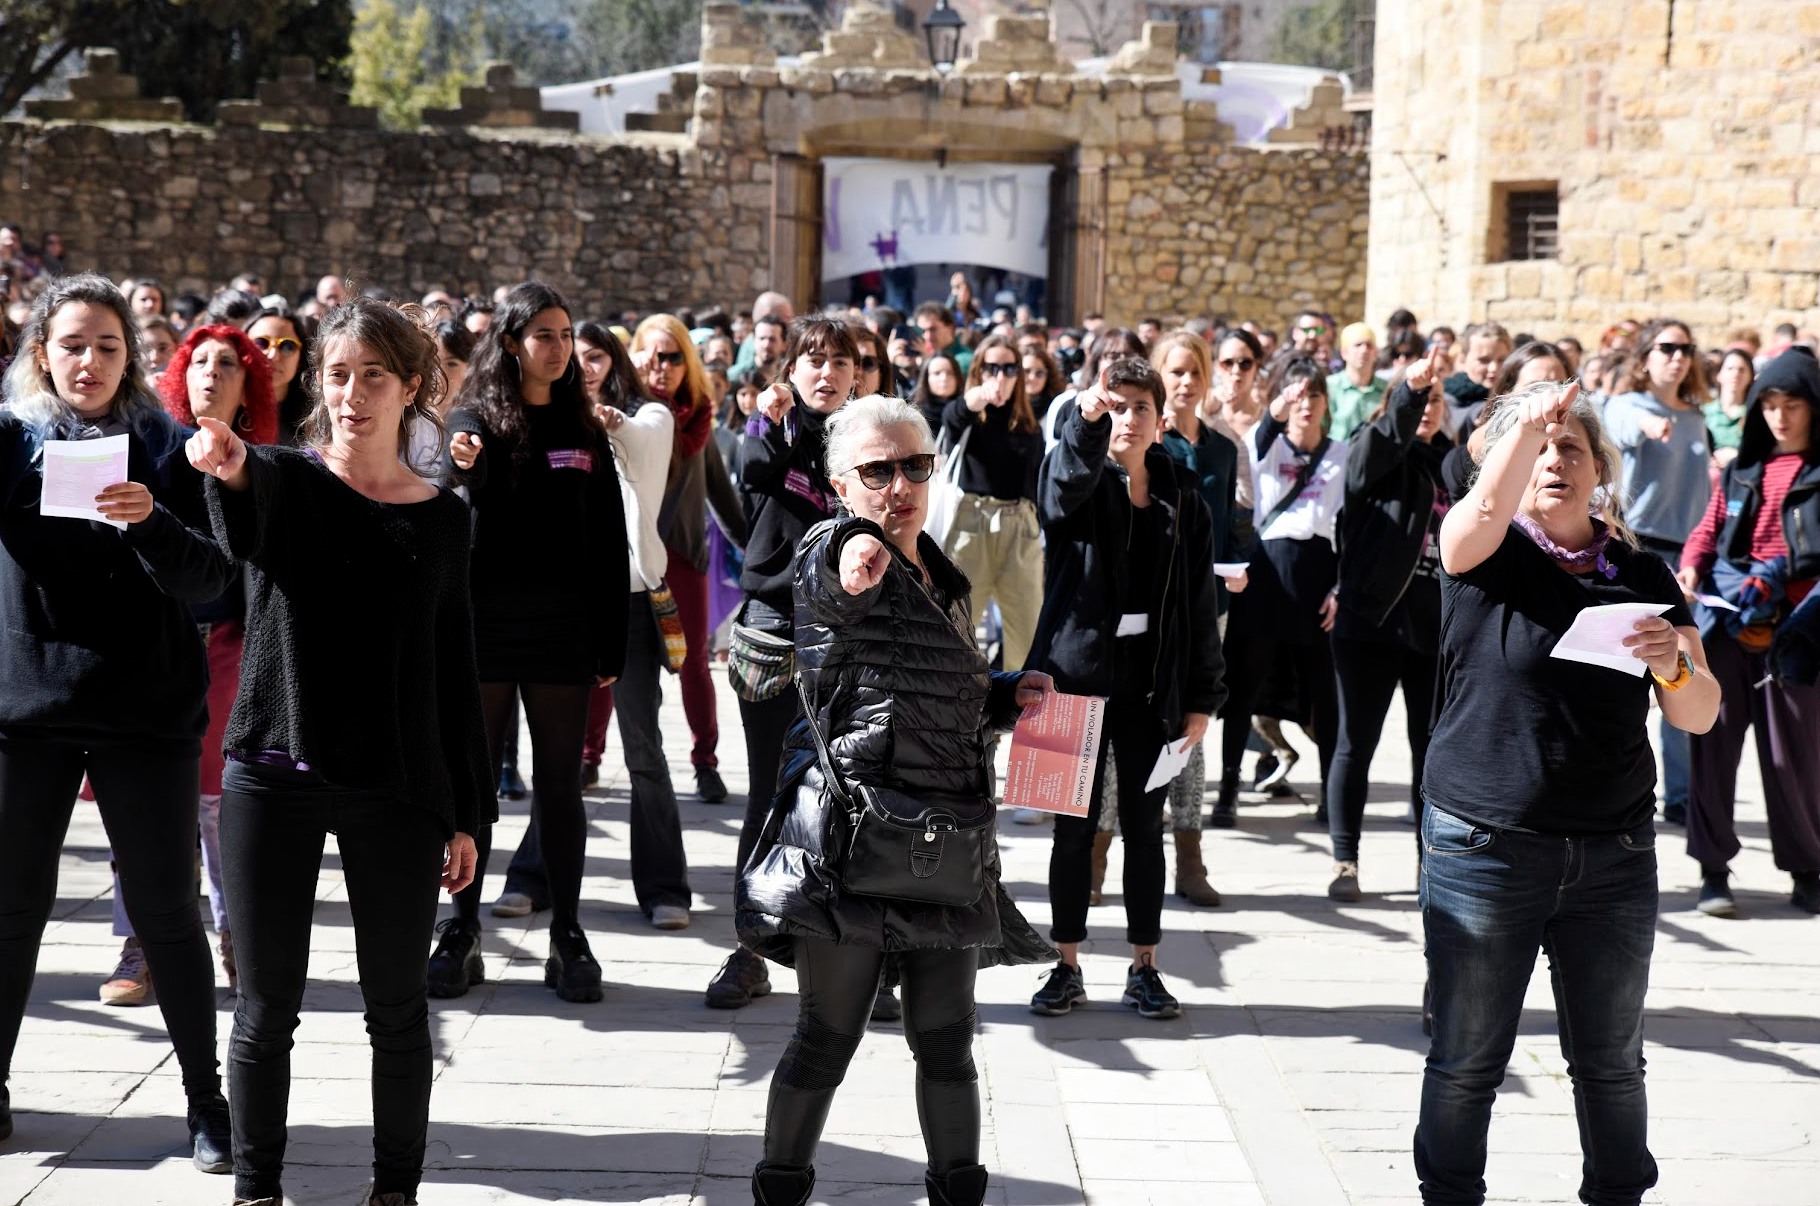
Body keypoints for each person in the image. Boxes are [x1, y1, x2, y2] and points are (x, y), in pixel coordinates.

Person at [186, 297, 493, 1206]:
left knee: (397, 1010)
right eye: (337, 374)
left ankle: (394, 1190)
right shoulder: (284, 479)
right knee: (263, 1010)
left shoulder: (443, 518)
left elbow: (452, 669)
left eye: (374, 375)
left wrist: (467, 812)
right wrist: (227, 465)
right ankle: (257, 1190)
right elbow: (243, 515)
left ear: (410, 389)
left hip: (393, 787)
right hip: (271, 777)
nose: (353, 393)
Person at [735, 392, 1055, 1206]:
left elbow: (930, 690)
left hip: (945, 841)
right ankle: (780, 1192)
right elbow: (834, 581)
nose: (899, 484)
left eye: (915, 465)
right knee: (825, 1040)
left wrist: (1005, 695)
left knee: (949, 1046)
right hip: (853, 844)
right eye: (877, 470)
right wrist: (854, 559)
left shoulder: (941, 571)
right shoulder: (835, 544)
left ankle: (959, 1192)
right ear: (842, 483)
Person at [1416, 378, 1718, 1206]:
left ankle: (1618, 1196)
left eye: (1572, 448)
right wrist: (1533, 421)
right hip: (1484, 844)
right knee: (1468, 1058)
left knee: (1613, 1062)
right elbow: (1474, 517)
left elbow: (1699, 710)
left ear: (1599, 472)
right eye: (1542, 448)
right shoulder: (1484, 550)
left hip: (1613, 857)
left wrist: (1673, 663)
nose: (1556, 460)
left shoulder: (1642, 571)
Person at [0, 274, 234, 1170]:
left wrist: (151, 523)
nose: (89, 362)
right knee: (13, 908)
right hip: (31, 711)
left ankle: (206, 1103)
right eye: (71, 345)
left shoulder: (165, 444)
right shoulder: (10, 443)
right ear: (41, 353)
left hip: (146, 711)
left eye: (106, 345)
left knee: (169, 911)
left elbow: (214, 580)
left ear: (130, 354)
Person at [428, 282, 632, 1001]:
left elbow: (610, 540)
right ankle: (461, 927)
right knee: (472, 783)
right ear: (512, 342)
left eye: (565, 333)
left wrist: (614, 639)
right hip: (485, 624)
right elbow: (467, 469)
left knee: (559, 787)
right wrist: (463, 456)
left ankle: (567, 932)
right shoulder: (477, 415)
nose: (558, 346)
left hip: (564, 630)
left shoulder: (584, 431)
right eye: (542, 334)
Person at [1026, 357, 1227, 1021]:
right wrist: (1084, 424)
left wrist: (1201, 700)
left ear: (1160, 419)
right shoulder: (1077, 480)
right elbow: (1058, 494)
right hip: (1069, 677)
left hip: (1150, 684)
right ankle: (1065, 964)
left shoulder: (1182, 495)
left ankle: (1145, 966)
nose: (1127, 420)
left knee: (1145, 830)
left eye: (1140, 407)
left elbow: (1198, 605)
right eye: (1115, 407)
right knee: (1071, 834)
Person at [707, 316, 859, 1012]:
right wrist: (772, 419)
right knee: (768, 795)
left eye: (839, 362)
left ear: (859, 373)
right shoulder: (773, 432)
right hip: (773, 633)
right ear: (791, 370)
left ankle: (847, 960)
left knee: (843, 800)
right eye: (812, 361)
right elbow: (753, 472)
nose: (825, 372)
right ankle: (748, 951)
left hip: (848, 637)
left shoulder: (870, 442)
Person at [1678, 348, 1820, 916]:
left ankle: (1807, 867)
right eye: (1770, 405)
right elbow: (1708, 531)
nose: (1780, 417)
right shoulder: (1741, 469)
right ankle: (1714, 870)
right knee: (1712, 748)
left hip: (1796, 632)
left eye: (1793, 405)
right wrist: (1691, 564)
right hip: (1724, 625)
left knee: (1795, 758)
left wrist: (1778, 581)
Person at [1324, 353, 1451, 901]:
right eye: (1418, 400)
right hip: (1368, 623)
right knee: (1357, 744)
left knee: (1431, 752)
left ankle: (1432, 868)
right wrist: (1409, 391)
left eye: (1436, 400)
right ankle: (1346, 860)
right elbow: (1377, 445)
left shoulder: (1454, 464)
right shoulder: (1372, 451)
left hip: (1432, 630)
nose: (1427, 409)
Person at [1216, 355, 1347, 823]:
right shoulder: (1265, 445)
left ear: (1326, 402)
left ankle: (1333, 798)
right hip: (1268, 571)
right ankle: (1228, 790)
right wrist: (1279, 404)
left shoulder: (1340, 454)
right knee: (1244, 689)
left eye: (1314, 394)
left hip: (1317, 573)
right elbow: (1265, 432)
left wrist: (1341, 586)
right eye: (1297, 394)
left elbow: (1347, 526)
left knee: (1325, 696)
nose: (1305, 403)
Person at [1151, 329, 1250, 899]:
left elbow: (1236, 523)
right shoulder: (1146, 444)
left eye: (1195, 373)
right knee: (1137, 726)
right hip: (1154, 607)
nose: (1185, 383)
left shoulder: (1221, 446)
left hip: (1210, 605)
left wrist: (1242, 563)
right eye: (1176, 372)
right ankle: (1098, 856)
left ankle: (1190, 860)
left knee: (1194, 725)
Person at [1603, 318, 1712, 827]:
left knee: (1681, 671)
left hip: (1688, 556)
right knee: (1625, 674)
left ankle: (1681, 797)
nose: (1678, 356)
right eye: (1667, 347)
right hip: (1636, 549)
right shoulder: (1627, 407)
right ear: (1645, 356)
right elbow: (1618, 431)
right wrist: (1646, 427)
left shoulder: (1695, 417)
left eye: (1686, 348)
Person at [631, 313, 737, 804]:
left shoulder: (698, 417)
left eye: (673, 356)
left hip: (683, 558)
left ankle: (705, 762)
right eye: (653, 354)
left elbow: (721, 493)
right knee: (623, 663)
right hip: (630, 560)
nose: (662, 365)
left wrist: (757, 556)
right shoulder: (623, 413)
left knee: (693, 663)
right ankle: (591, 758)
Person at [940, 333, 1046, 673]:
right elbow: (951, 420)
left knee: (1028, 632)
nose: (1000, 376)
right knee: (958, 627)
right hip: (974, 522)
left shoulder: (1028, 423)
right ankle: (959, 719)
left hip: (1021, 527)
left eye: (1010, 368)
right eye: (992, 367)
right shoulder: (969, 411)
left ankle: (1020, 722)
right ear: (979, 370)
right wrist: (974, 401)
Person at [247, 307, 311, 445]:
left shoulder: (316, 419)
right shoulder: (225, 407)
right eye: (261, 343)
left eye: (287, 346)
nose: (273, 356)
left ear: (300, 359)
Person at [1441, 322, 1512, 440]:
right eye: (1484, 360)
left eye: (1501, 360)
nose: (1494, 368)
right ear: (1463, 360)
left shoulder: (1514, 394)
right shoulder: (1446, 396)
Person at [1326, 322, 1386, 440]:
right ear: (1344, 353)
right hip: (1338, 455)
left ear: (1376, 353)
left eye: (1369, 345)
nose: (1364, 350)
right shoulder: (1330, 386)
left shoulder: (1387, 390)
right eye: (1358, 345)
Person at [1704, 347, 1755, 466]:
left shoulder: (1756, 413)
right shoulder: (1703, 411)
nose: (1735, 374)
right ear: (1718, 374)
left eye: (1742, 370)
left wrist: (1738, 456)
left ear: (1750, 377)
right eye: (1730, 368)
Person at [909, 350, 962, 435]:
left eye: (950, 373)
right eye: (937, 373)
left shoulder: (966, 413)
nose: (944, 378)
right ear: (926, 378)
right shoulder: (914, 413)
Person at [915, 301, 972, 375]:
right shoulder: (925, 353)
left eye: (933, 329)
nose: (927, 337)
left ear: (950, 328)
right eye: (922, 331)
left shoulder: (964, 361)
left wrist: (927, 364)